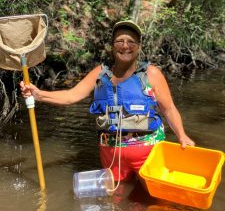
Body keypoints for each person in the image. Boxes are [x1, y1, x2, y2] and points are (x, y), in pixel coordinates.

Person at [20, 20, 195, 181]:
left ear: (139, 46)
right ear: (112, 46)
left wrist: (182, 135)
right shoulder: (100, 73)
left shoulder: (152, 74)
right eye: (119, 41)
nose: (125, 46)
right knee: (117, 202)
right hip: (111, 152)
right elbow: (71, 96)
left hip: (148, 151)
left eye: (131, 41)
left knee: (150, 200)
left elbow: (169, 109)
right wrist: (38, 94)